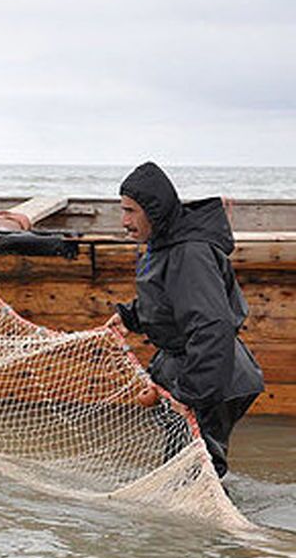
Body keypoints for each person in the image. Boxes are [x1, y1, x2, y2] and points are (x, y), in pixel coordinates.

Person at [108, 162, 264, 478]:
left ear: (154, 210)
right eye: (122, 210)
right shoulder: (164, 243)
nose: (124, 221)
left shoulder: (190, 253)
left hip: (215, 377)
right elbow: (170, 301)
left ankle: (219, 528)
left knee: (192, 472)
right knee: (184, 467)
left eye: (131, 211)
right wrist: (131, 317)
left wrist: (190, 393)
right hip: (199, 370)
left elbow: (212, 326)